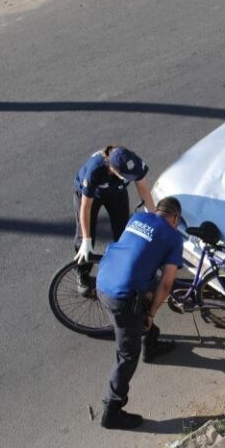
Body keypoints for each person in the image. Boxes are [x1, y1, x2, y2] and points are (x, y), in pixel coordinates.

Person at [95, 196, 183, 429]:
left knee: (145, 295)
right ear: (176, 218)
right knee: (127, 354)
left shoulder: (138, 217)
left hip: (103, 280)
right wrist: (151, 313)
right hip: (121, 297)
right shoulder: (174, 237)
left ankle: (151, 345)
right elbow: (167, 284)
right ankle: (112, 410)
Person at [73, 146, 156, 295]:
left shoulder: (133, 162)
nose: (129, 178)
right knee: (85, 236)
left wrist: (155, 218)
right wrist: (86, 239)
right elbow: (85, 208)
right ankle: (82, 273)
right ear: (112, 169)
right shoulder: (95, 169)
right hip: (92, 196)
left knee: (123, 233)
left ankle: (122, 270)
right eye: (125, 175)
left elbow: (144, 190)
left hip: (116, 192)